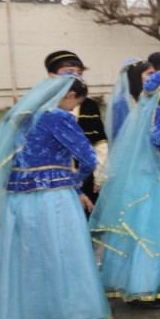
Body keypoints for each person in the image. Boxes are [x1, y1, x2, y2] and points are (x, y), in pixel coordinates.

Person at [0, 75, 112, 319]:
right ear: (68, 96)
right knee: (60, 253)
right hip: (53, 197)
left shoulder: (21, 116)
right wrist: (76, 182)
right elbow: (87, 157)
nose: (75, 107)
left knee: (30, 258)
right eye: (77, 101)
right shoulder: (59, 117)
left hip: (18, 199)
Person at [92, 71, 160, 307]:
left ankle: (150, 282)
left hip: (159, 176)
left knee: (150, 228)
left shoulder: (151, 111)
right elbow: (157, 141)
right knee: (156, 231)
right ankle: (145, 287)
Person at [44, 51, 107, 207]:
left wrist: (100, 174)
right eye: (69, 72)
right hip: (50, 178)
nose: (76, 76)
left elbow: (99, 141)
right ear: (52, 75)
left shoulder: (88, 105)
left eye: (79, 73)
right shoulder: (41, 107)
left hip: (84, 175)